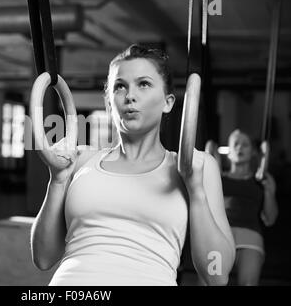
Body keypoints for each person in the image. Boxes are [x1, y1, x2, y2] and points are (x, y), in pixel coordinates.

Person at [30, 44, 236, 286]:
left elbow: (217, 274)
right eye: (120, 86)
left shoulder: (196, 166)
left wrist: (197, 192)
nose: (130, 95)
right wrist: (57, 180)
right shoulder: (81, 160)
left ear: (168, 102)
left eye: (144, 84)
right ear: (109, 103)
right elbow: (43, 258)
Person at [222, 129, 278, 285]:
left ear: (253, 152)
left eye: (245, 145)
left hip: (250, 237)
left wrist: (268, 190)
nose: (240, 148)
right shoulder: (217, 177)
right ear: (229, 151)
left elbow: (270, 219)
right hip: (219, 236)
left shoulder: (263, 180)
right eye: (236, 144)